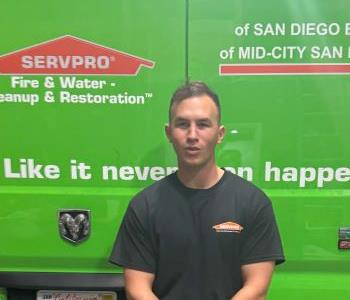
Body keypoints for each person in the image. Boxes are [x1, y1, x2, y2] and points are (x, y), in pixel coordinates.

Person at [109, 81, 285, 300]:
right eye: (182, 124)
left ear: (220, 134)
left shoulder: (253, 202)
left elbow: (257, 289)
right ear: (169, 132)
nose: (192, 135)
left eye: (203, 124)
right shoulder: (144, 206)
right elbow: (137, 289)